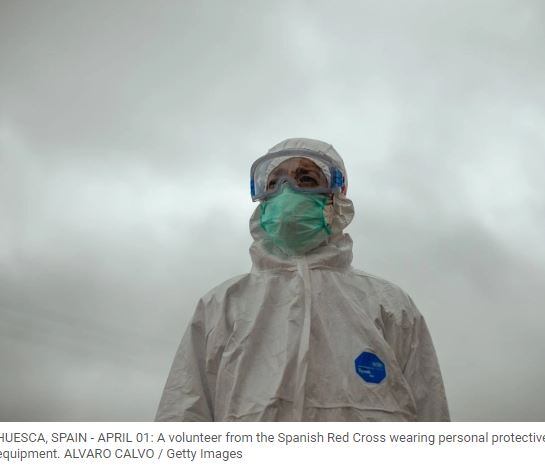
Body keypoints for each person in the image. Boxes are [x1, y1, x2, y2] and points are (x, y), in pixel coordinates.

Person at [155, 137, 450, 422]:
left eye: (306, 179)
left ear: (335, 198)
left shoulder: (390, 305)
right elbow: (182, 415)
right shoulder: (221, 306)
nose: (287, 193)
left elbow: (431, 414)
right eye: (273, 184)